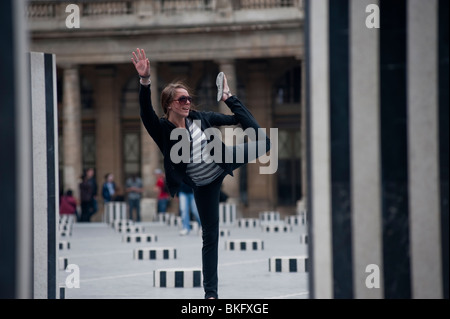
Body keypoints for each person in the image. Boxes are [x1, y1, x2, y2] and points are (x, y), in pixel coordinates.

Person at [132, 48, 271, 299]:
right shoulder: (162, 129)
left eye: (188, 99)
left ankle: (226, 93)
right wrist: (145, 81)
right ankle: (211, 294)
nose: (187, 103)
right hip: (202, 184)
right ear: (169, 105)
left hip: (222, 161)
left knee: (265, 143)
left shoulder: (201, 118)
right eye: (181, 100)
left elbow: (239, 122)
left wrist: (229, 98)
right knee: (210, 237)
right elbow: (145, 112)